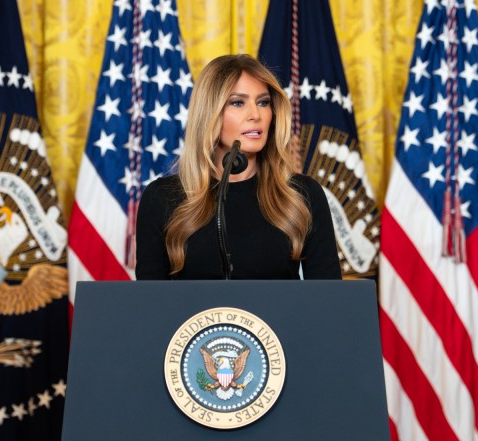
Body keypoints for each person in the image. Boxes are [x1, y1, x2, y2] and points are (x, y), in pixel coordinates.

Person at [134, 53, 341, 280]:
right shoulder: (162, 198)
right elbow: (149, 307)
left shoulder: (301, 195)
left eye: (263, 102)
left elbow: (329, 304)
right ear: (209, 113)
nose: (256, 115)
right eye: (238, 103)